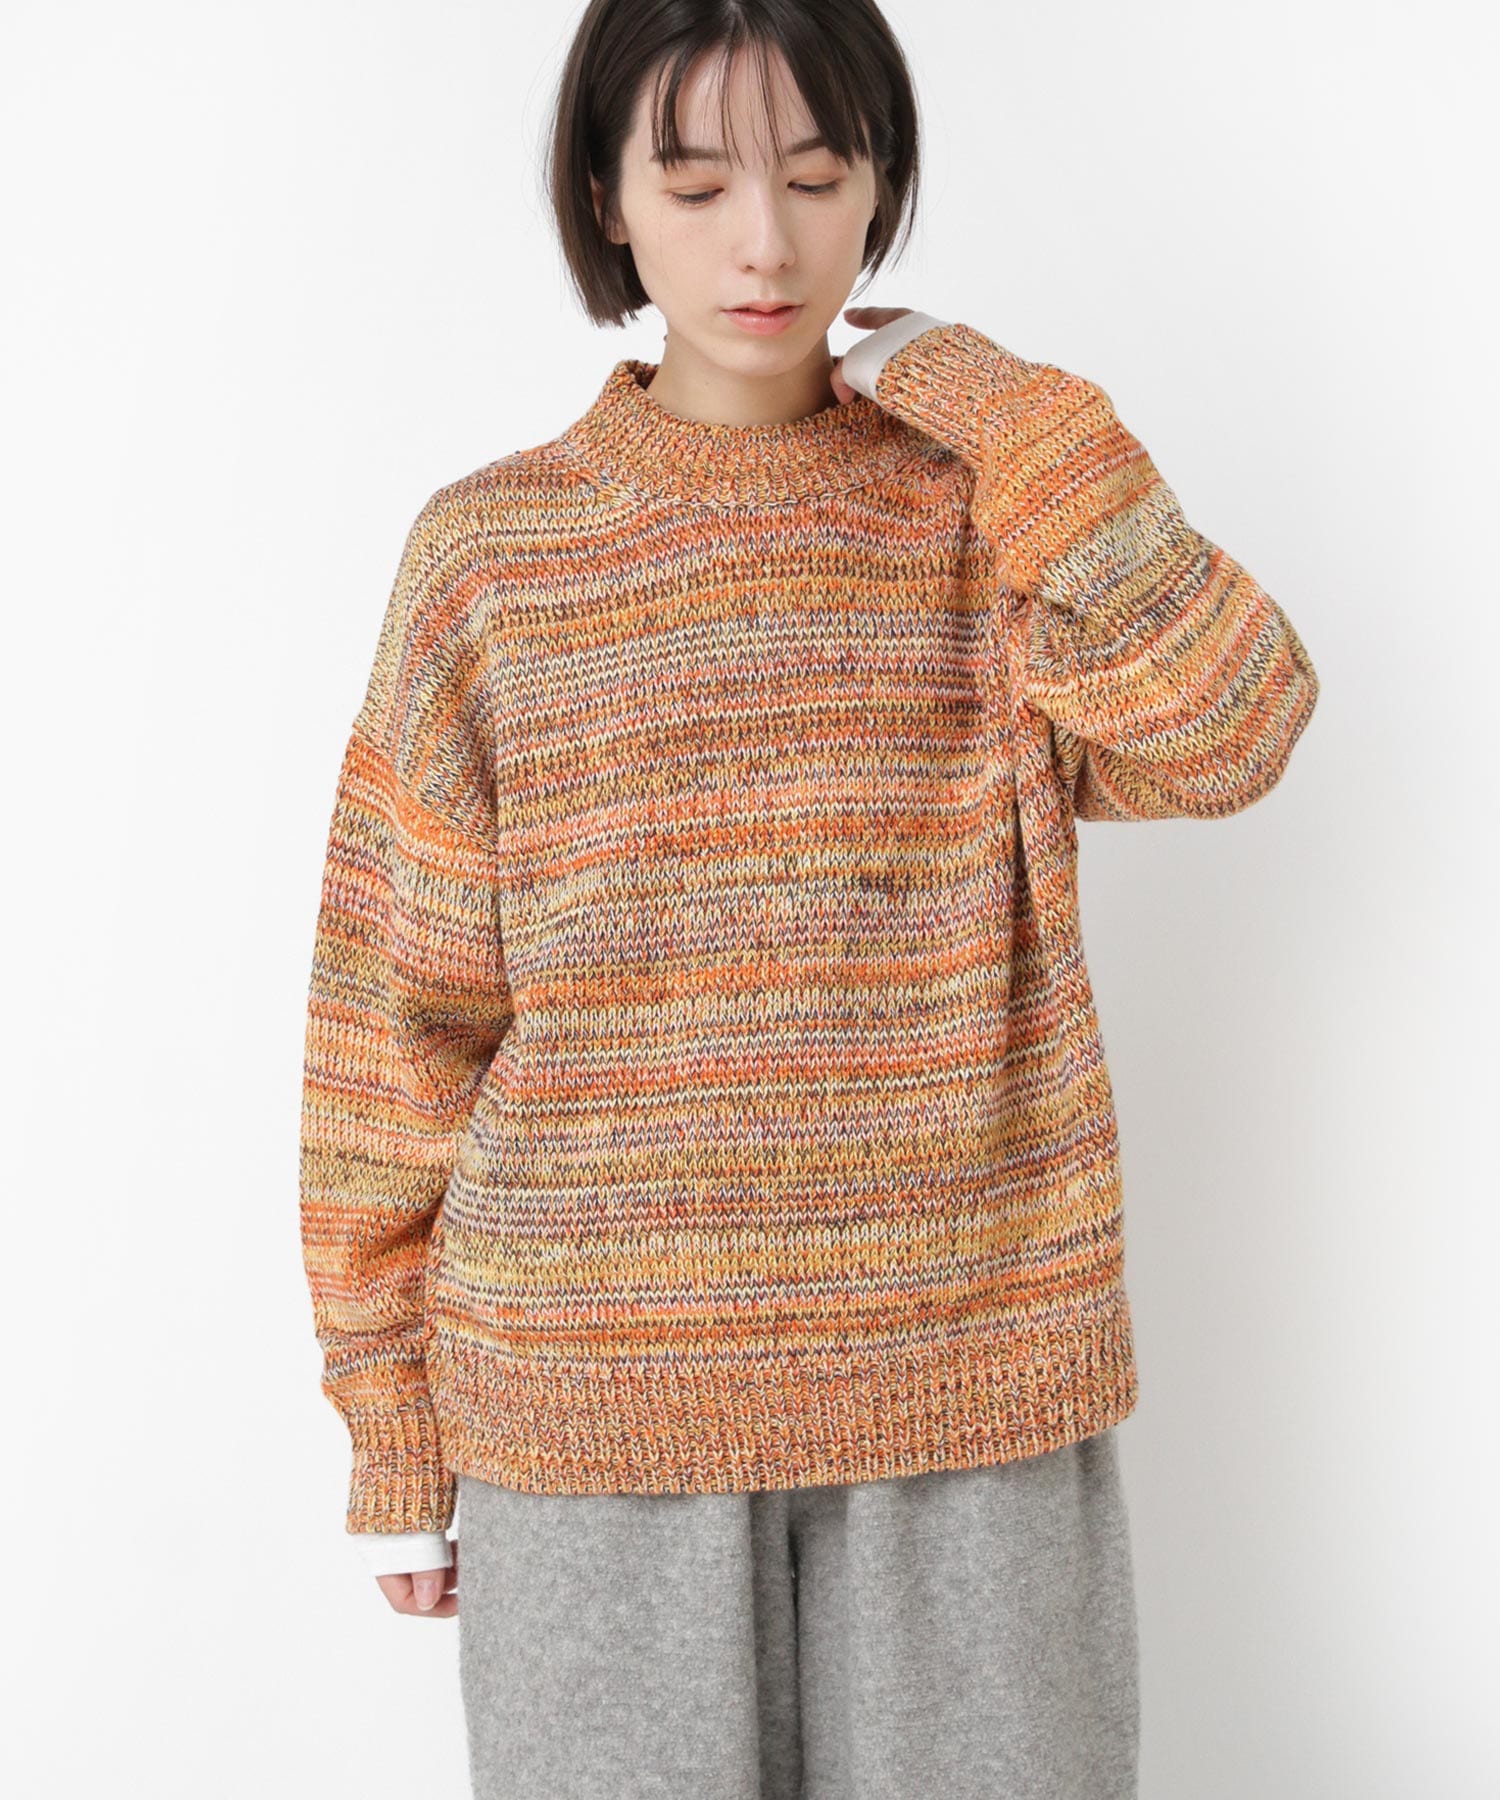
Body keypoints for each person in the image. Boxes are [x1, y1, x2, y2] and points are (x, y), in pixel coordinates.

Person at [297, 2, 1320, 1794]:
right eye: (696, 186)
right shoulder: (493, 555)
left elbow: (1234, 729)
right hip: (592, 1412)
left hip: (969, 1389)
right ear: (607, 198)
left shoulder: (989, 513)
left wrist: (1014, 410)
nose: (763, 244)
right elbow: (397, 1016)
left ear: (882, 186)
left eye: (819, 175)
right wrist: (391, 1423)